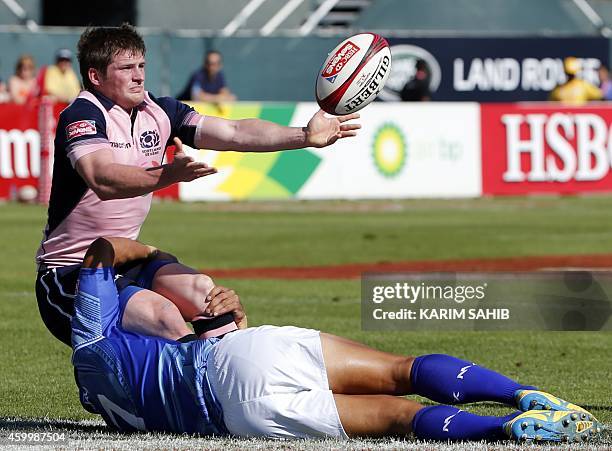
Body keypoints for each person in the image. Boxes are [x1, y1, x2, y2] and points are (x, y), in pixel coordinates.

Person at [71, 236, 602, 443]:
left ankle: (503, 430)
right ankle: (521, 395)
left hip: (239, 419)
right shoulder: (91, 340)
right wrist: (148, 250)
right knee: (401, 370)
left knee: (397, 419)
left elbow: (176, 357)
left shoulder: (112, 395)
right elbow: (97, 253)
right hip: (235, 359)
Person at [35, 24, 360, 347]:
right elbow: (101, 178)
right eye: (126, 68)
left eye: (141, 66)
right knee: (162, 316)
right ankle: (198, 384)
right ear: (96, 76)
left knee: (208, 296)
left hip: (128, 258)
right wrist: (167, 175)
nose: (138, 76)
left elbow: (234, 132)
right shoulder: (81, 115)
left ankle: (231, 383)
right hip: (70, 275)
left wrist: (304, 135)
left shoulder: (160, 111)